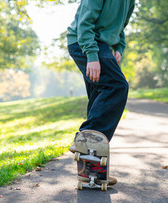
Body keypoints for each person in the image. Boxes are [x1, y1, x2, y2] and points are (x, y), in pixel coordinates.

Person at [67, 0, 135, 185]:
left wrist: (119, 48)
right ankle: (84, 137)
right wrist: (91, 56)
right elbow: (85, 23)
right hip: (83, 41)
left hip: (103, 46)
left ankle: (93, 174)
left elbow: (121, 28)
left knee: (99, 99)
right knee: (117, 86)